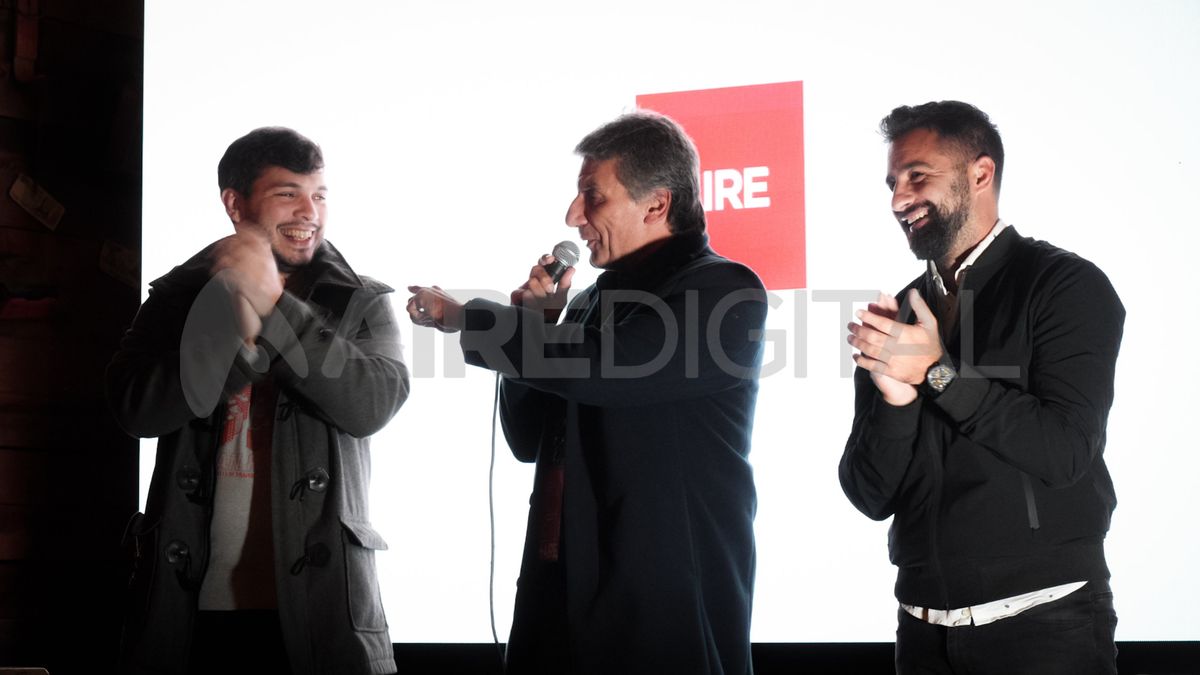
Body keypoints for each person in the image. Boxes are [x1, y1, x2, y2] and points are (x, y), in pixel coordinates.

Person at [407, 112, 766, 675]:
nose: (573, 217)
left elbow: (603, 369)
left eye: (591, 198)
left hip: (658, 605)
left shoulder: (722, 290)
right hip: (558, 589)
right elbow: (530, 441)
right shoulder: (590, 301)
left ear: (656, 205)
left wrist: (466, 318)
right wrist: (537, 324)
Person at [107, 127, 409, 675]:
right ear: (234, 202)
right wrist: (233, 337)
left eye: (319, 195)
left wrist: (274, 306)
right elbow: (135, 409)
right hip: (190, 612)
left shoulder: (363, 302)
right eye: (288, 193)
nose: (309, 211)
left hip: (323, 615)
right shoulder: (176, 297)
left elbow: (372, 404)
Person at [840, 101, 1125, 675]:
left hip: (1043, 626)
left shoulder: (1064, 285)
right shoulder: (902, 313)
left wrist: (937, 374)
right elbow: (870, 494)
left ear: (980, 173)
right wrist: (896, 402)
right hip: (920, 632)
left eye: (918, 176)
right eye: (893, 183)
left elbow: (1065, 450)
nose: (898, 199)